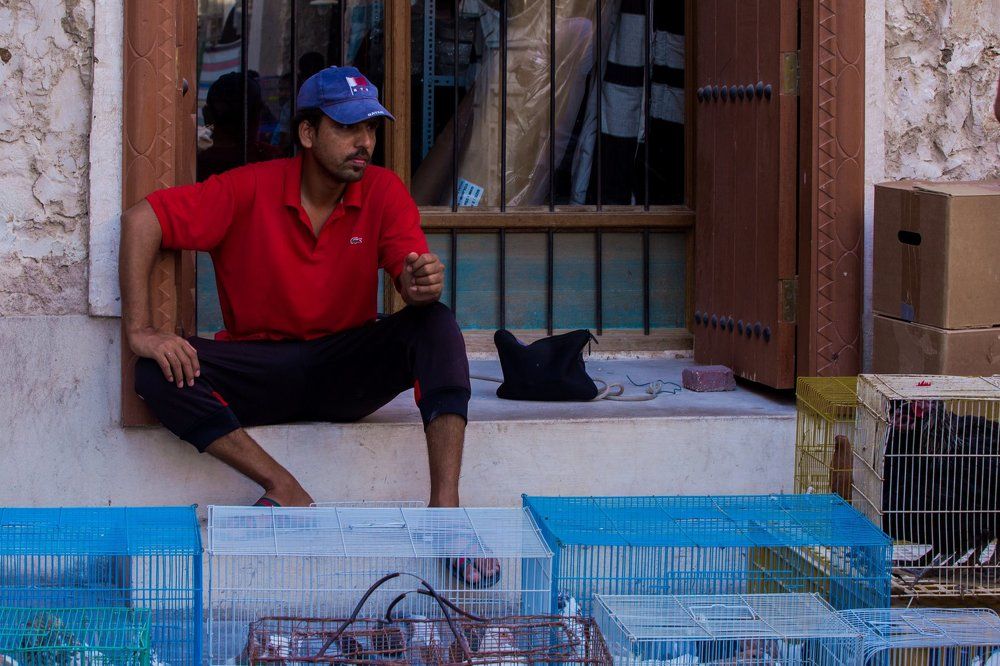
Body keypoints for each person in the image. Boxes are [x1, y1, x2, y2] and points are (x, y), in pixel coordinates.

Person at [119, 65, 496, 585]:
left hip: (343, 368)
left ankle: (446, 513)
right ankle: (285, 487)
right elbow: (142, 219)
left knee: (434, 322)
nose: (364, 141)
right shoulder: (250, 187)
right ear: (307, 133)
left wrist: (419, 284)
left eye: (371, 128)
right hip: (261, 368)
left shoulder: (383, 191)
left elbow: (411, 285)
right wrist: (141, 329)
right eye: (347, 127)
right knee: (152, 371)